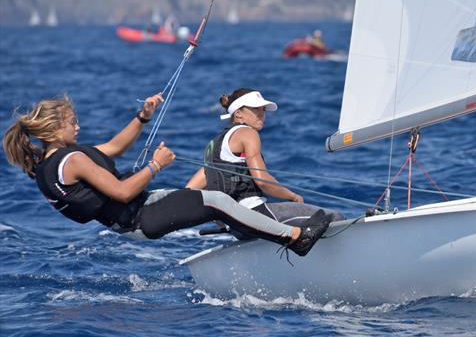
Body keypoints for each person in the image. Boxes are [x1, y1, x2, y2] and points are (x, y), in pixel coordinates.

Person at [2, 93, 331, 256]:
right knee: (216, 200)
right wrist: (156, 165)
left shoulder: (52, 160)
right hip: (139, 219)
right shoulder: (71, 160)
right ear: (54, 128)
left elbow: (115, 147)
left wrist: (142, 117)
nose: (78, 126)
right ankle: (293, 239)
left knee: (201, 198)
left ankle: (241, 229)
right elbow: (121, 192)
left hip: (139, 213)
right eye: (72, 122)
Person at [185, 88, 344, 239]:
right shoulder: (247, 133)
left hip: (236, 227)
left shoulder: (216, 146)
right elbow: (262, 181)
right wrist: (293, 196)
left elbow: (189, 192)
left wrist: (220, 218)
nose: (261, 114)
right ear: (239, 114)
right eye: (255, 109)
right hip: (256, 215)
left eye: (263, 110)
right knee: (335, 217)